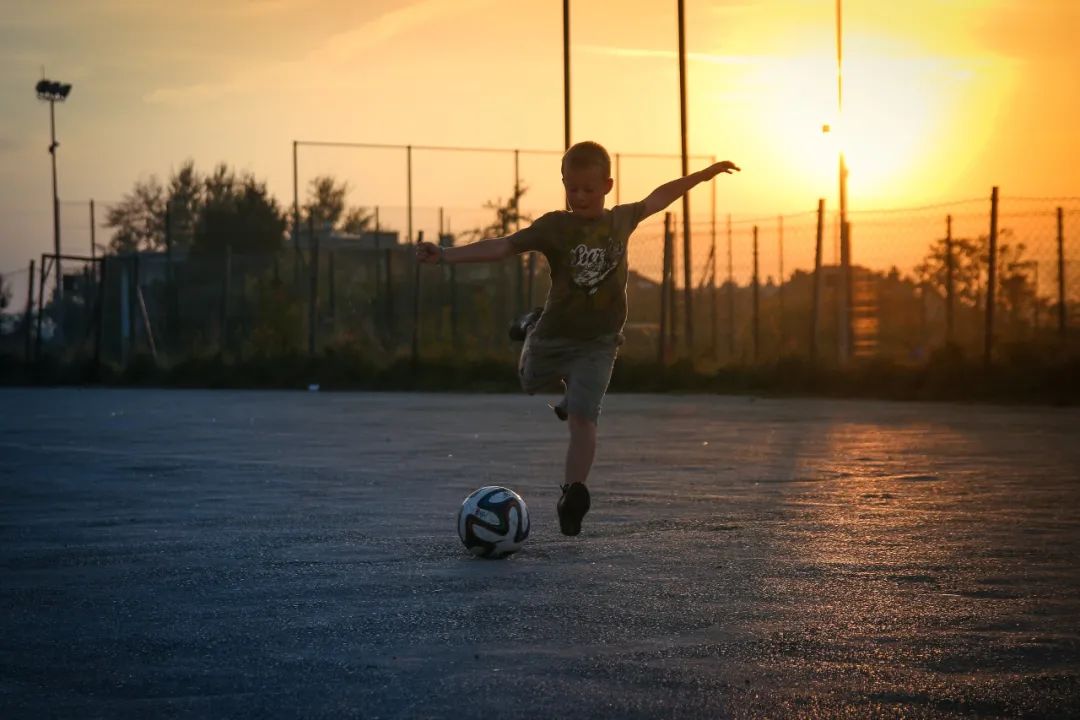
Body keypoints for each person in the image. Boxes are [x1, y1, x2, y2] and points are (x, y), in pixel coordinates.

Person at [416, 141, 739, 536]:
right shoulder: (556, 227)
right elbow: (503, 247)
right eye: (573, 188)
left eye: (589, 189)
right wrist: (446, 255)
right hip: (553, 335)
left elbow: (661, 195)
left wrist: (703, 175)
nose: (580, 197)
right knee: (531, 382)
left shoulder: (622, 219)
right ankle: (532, 325)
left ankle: (574, 492)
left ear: (607, 185)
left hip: (600, 342)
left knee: (584, 417)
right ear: (564, 185)